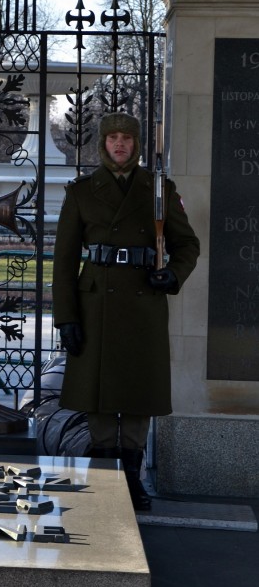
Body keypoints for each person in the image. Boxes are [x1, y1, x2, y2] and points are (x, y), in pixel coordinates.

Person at [52, 112, 200, 510]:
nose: (120, 145)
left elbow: (187, 245)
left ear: (136, 145)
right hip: (96, 301)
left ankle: (132, 479)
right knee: (99, 396)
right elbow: (64, 260)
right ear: (103, 143)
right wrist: (66, 316)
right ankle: (103, 477)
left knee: (138, 393)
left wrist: (171, 275)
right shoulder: (81, 192)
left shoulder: (158, 189)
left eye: (127, 139)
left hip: (142, 302)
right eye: (113, 138)